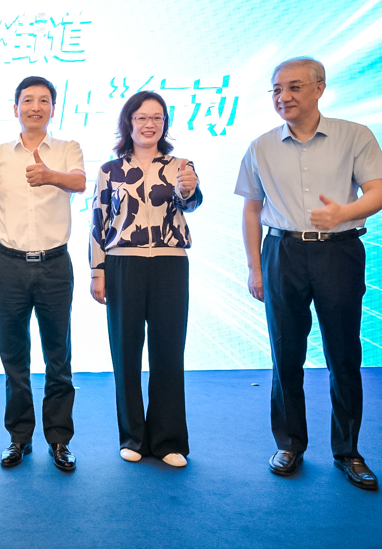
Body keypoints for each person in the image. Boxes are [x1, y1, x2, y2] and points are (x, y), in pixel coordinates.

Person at [235, 57, 382, 490]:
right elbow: (251, 209)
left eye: (294, 87)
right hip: (281, 252)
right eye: (276, 89)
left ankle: (348, 451)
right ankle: (289, 444)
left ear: (319, 88)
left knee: (344, 354)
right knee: (285, 353)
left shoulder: (355, 135)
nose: (283, 97)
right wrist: (254, 267)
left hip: (339, 251)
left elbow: (377, 191)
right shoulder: (261, 146)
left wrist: (343, 213)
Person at [0, 76, 86, 472]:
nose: (36, 107)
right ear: (15, 107)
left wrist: (50, 175)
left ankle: (60, 440)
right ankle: (19, 438)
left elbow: (80, 182)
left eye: (44, 100)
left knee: (59, 357)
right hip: (9, 265)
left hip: (55, 265)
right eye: (28, 100)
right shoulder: (0, 154)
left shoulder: (68, 148)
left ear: (53, 108)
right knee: (14, 358)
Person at [89, 91, 201, 468]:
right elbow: (99, 221)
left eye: (157, 118)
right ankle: (133, 437)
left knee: (169, 350)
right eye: (142, 117)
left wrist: (187, 189)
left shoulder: (180, 165)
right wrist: (98, 270)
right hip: (123, 264)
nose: (149, 124)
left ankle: (169, 440)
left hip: (170, 263)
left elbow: (191, 203)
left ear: (165, 124)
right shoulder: (110, 170)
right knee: (126, 351)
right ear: (129, 122)